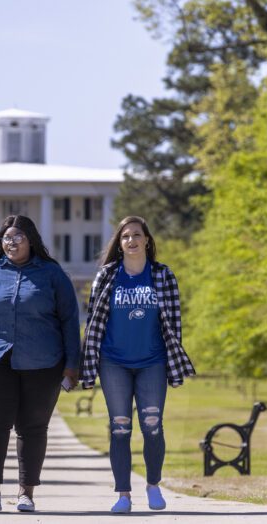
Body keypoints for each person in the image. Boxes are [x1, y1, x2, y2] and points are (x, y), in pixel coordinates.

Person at [0, 215, 80, 513]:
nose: (12, 243)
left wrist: (72, 364)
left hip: (44, 362)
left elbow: (69, 319)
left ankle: (26, 492)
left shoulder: (52, 273)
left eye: (18, 238)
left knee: (34, 427)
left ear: (31, 240)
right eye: (6, 238)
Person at [79, 216, 195, 513]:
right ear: (119, 243)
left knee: (152, 425)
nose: (131, 240)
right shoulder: (107, 276)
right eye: (125, 236)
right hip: (113, 362)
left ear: (147, 240)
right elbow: (94, 322)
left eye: (136, 235)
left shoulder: (163, 275)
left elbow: (174, 324)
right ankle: (123, 495)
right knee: (120, 427)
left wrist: (172, 361)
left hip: (151, 363)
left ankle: (153, 485)